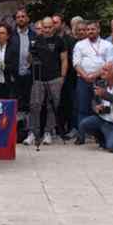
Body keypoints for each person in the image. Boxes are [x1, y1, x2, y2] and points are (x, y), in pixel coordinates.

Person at [77, 62, 113, 153]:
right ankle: (103, 138)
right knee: (83, 124)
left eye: (105, 70)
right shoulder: (101, 82)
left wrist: (105, 95)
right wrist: (96, 107)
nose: (102, 72)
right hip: (102, 119)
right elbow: (94, 100)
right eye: (102, 69)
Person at [72, 20, 113, 144]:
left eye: (93, 29)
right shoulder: (80, 45)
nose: (90, 31)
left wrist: (95, 75)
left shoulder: (107, 45)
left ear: (98, 30)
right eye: (88, 29)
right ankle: (81, 136)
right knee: (83, 108)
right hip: (82, 79)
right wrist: (85, 76)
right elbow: (76, 62)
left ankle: (99, 136)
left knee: (101, 107)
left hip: (101, 79)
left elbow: (109, 63)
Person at [27, 16, 68, 145]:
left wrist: (62, 77)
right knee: (35, 105)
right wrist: (30, 55)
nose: (47, 30)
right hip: (38, 78)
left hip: (55, 78)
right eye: (45, 27)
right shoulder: (34, 40)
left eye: (50, 27)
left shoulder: (60, 41)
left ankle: (48, 132)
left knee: (52, 106)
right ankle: (33, 132)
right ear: (41, 27)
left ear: (54, 27)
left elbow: (64, 59)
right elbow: (29, 59)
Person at [11, 9, 36, 139]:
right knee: (16, 104)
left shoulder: (34, 35)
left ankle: (29, 131)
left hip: (29, 75)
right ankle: (16, 132)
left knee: (29, 104)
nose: (21, 19)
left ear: (27, 19)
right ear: (16, 20)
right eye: (18, 17)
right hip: (14, 76)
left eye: (23, 16)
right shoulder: (11, 36)